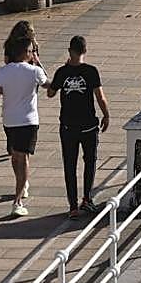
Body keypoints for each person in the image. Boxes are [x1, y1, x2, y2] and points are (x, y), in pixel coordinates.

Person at [0, 38, 50, 217]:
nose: (32, 54)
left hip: (9, 122)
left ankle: (21, 186)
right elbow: (49, 86)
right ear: (25, 53)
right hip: (28, 121)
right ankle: (18, 200)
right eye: (31, 51)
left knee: (15, 157)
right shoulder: (35, 71)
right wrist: (39, 63)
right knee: (23, 158)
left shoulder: (1, 73)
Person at [48, 35, 110, 219]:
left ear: (70, 51)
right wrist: (106, 115)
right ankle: (87, 199)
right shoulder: (91, 71)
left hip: (68, 127)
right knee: (89, 162)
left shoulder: (62, 72)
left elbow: (51, 93)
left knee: (70, 165)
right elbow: (100, 97)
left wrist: (62, 73)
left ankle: (72, 206)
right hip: (89, 126)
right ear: (85, 51)